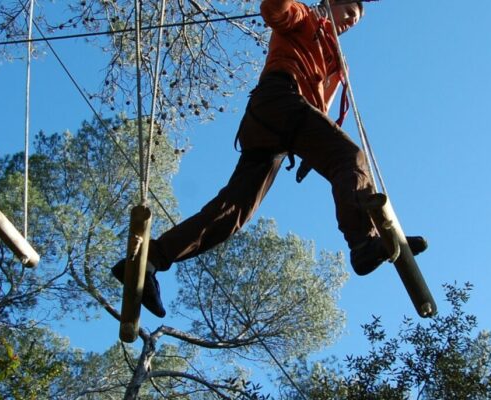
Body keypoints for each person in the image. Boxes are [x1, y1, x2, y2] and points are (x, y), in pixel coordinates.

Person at [112, 0, 427, 318]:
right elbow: (275, 8)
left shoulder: (333, 55)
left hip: (277, 127)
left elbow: (322, 108)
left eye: (355, 22)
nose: (350, 23)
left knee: (233, 212)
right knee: (350, 158)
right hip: (279, 100)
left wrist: (330, 90)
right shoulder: (303, 18)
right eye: (348, 14)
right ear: (330, 2)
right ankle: (363, 243)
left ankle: (146, 262)